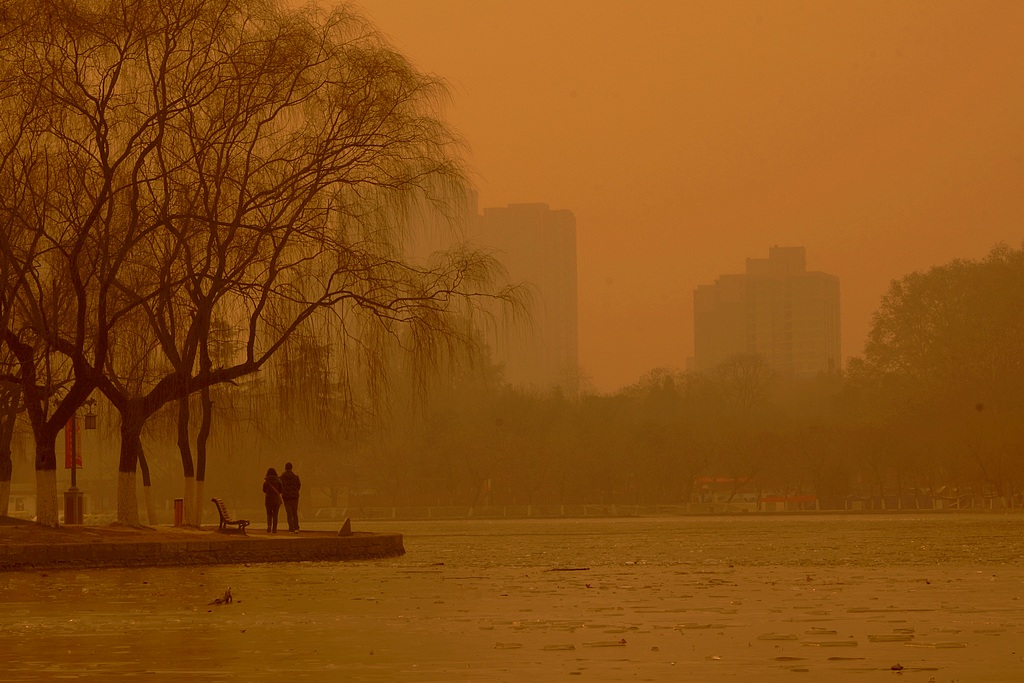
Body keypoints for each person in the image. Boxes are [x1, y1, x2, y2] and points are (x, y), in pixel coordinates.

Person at [280, 461, 301, 532]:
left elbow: (280, 487)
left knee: (289, 514)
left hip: (286, 497)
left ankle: (291, 528)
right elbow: (298, 486)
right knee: (295, 512)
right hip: (295, 497)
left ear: (285, 468)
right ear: (291, 468)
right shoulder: (296, 477)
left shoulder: (281, 477)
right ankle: (296, 527)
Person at [262, 467, 283, 533]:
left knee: (269, 514)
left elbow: (264, 490)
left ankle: (269, 526)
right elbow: (281, 490)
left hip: (268, 500)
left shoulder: (266, 481)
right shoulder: (278, 480)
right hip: (276, 500)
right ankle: (274, 529)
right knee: (275, 515)